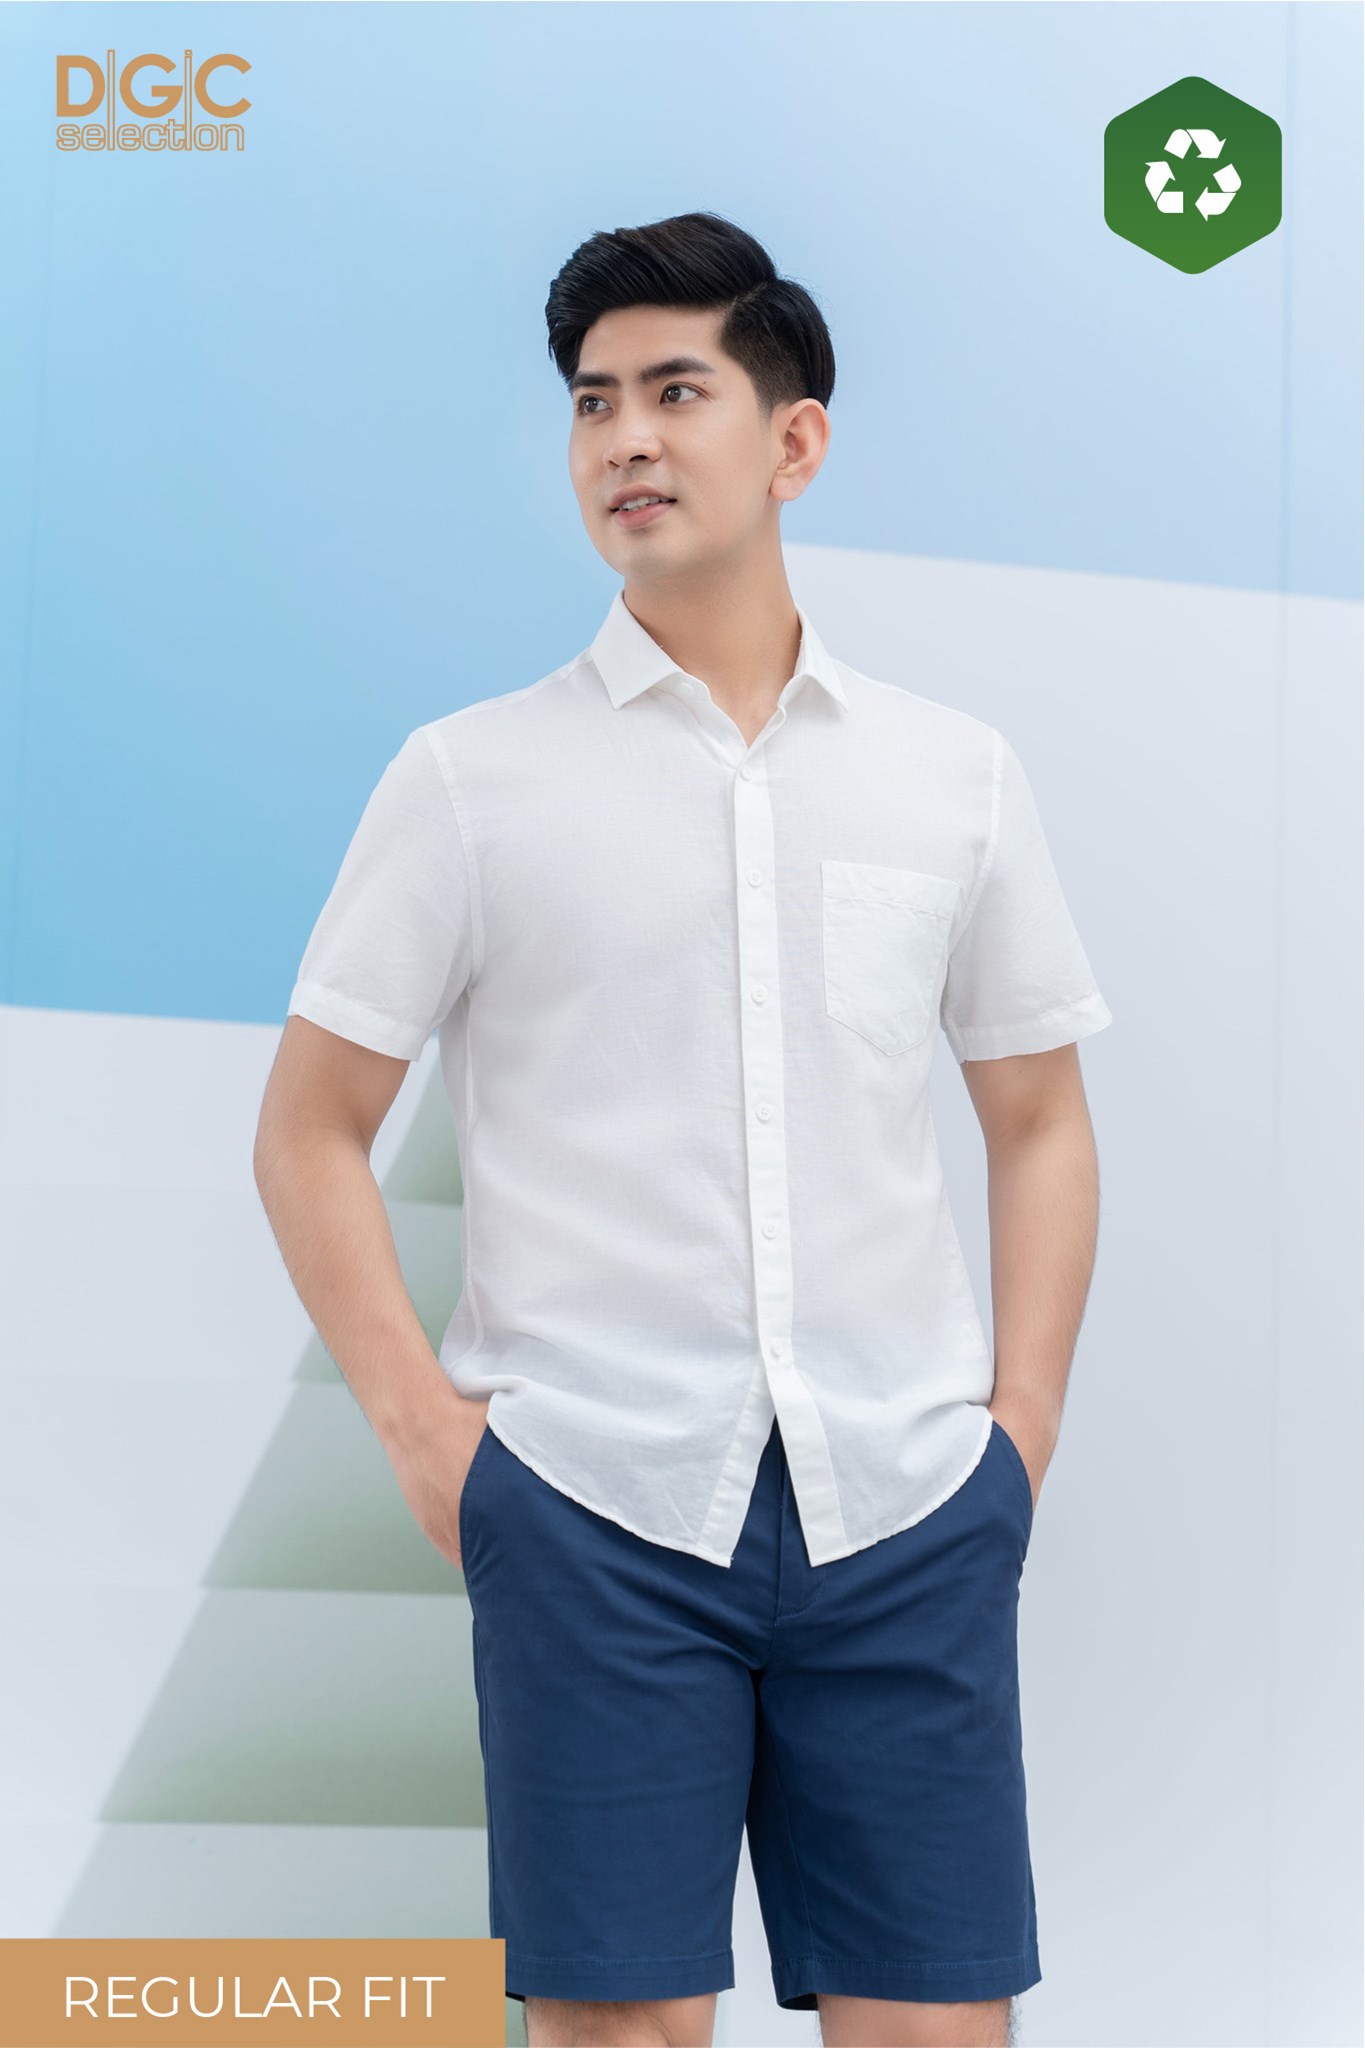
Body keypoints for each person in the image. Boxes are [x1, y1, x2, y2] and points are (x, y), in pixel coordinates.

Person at [255, 210, 1112, 2048]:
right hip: (590, 1507)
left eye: (673, 391)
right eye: (591, 404)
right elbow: (309, 1127)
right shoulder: (472, 782)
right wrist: (433, 1443)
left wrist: (1018, 1437)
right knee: (623, 2030)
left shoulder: (949, 776)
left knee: (937, 2029)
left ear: (793, 441)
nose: (625, 439)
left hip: (907, 1507)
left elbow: (1038, 1117)